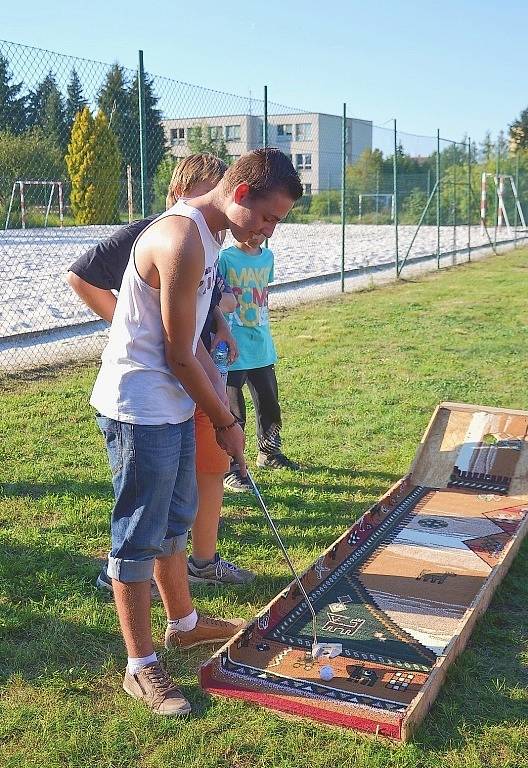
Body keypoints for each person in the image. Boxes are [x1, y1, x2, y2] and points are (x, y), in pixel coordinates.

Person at [89, 148, 302, 716]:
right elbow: (176, 353)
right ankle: (141, 666)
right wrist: (228, 419)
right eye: (267, 216)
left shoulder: (212, 237)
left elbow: (200, 347)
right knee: (138, 535)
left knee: (176, 520)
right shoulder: (182, 239)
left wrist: (218, 417)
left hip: (174, 405)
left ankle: (183, 624)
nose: (268, 229)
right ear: (239, 195)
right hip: (140, 407)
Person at [68, 154, 255, 589]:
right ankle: (138, 634)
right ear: (183, 196)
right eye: (207, 193)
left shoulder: (210, 238)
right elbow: (84, 277)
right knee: (143, 518)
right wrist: (132, 328)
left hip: (187, 385)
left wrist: (220, 327)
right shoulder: (171, 235)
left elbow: (202, 310)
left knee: (180, 506)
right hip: (151, 392)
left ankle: (189, 599)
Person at [219, 232, 300, 493]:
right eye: (250, 230)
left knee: (269, 404)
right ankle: (231, 467)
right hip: (233, 349)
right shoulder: (226, 258)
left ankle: (269, 453)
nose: (256, 236)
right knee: (234, 414)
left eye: (262, 232)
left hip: (262, 348)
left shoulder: (268, 258)